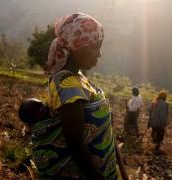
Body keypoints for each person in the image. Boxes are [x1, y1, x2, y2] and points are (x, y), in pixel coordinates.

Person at [31, 13, 127, 180]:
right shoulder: (68, 86)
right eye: (95, 47)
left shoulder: (78, 78)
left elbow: (107, 132)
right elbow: (76, 146)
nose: (99, 54)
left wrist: (122, 171)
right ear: (77, 46)